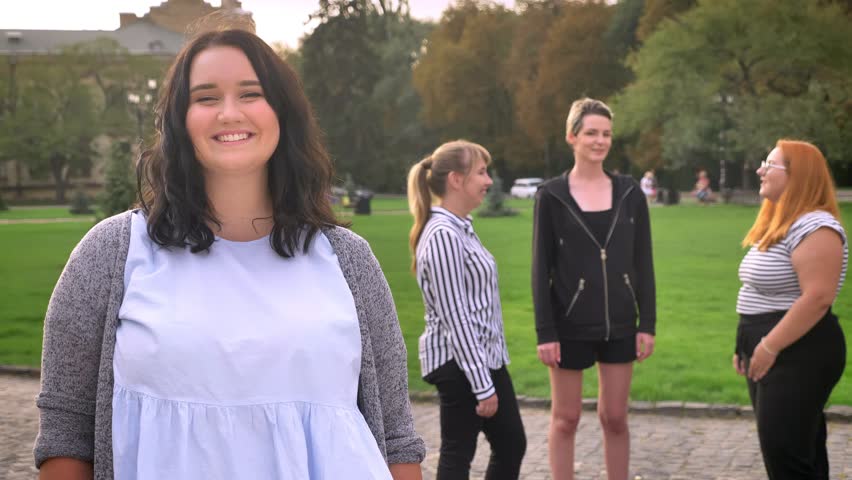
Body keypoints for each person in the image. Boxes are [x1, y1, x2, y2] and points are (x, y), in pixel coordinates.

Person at [34, 27, 425, 480]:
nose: (228, 112)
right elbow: (66, 434)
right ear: (179, 120)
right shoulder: (111, 254)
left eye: (250, 93)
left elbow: (395, 437)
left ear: (283, 112)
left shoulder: (349, 262)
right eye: (205, 97)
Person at [532, 98, 656, 480]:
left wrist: (647, 323)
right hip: (568, 325)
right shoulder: (551, 196)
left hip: (621, 323)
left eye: (606, 134)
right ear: (572, 137)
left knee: (615, 417)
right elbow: (541, 268)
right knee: (566, 418)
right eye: (591, 133)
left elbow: (643, 263)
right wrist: (546, 332)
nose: (599, 141)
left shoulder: (630, 193)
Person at [407, 140, 526, 479]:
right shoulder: (443, 234)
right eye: (482, 172)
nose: (489, 181)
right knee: (458, 455)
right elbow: (455, 315)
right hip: (460, 365)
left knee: (510, 444)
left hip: (484, 360)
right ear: (456, 179)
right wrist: (482, 384)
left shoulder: (461, 228)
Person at [734, 140, 847, 480]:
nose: (760, 170)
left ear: (798, 175)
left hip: (799, 349)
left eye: (770, 164)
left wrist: (769, 346)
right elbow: (755, 290)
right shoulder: (781, 222)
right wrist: (744, 345)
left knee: (787, 456)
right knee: (796, 451)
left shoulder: (817, 226)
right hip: (772, 342)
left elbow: (818, 298)